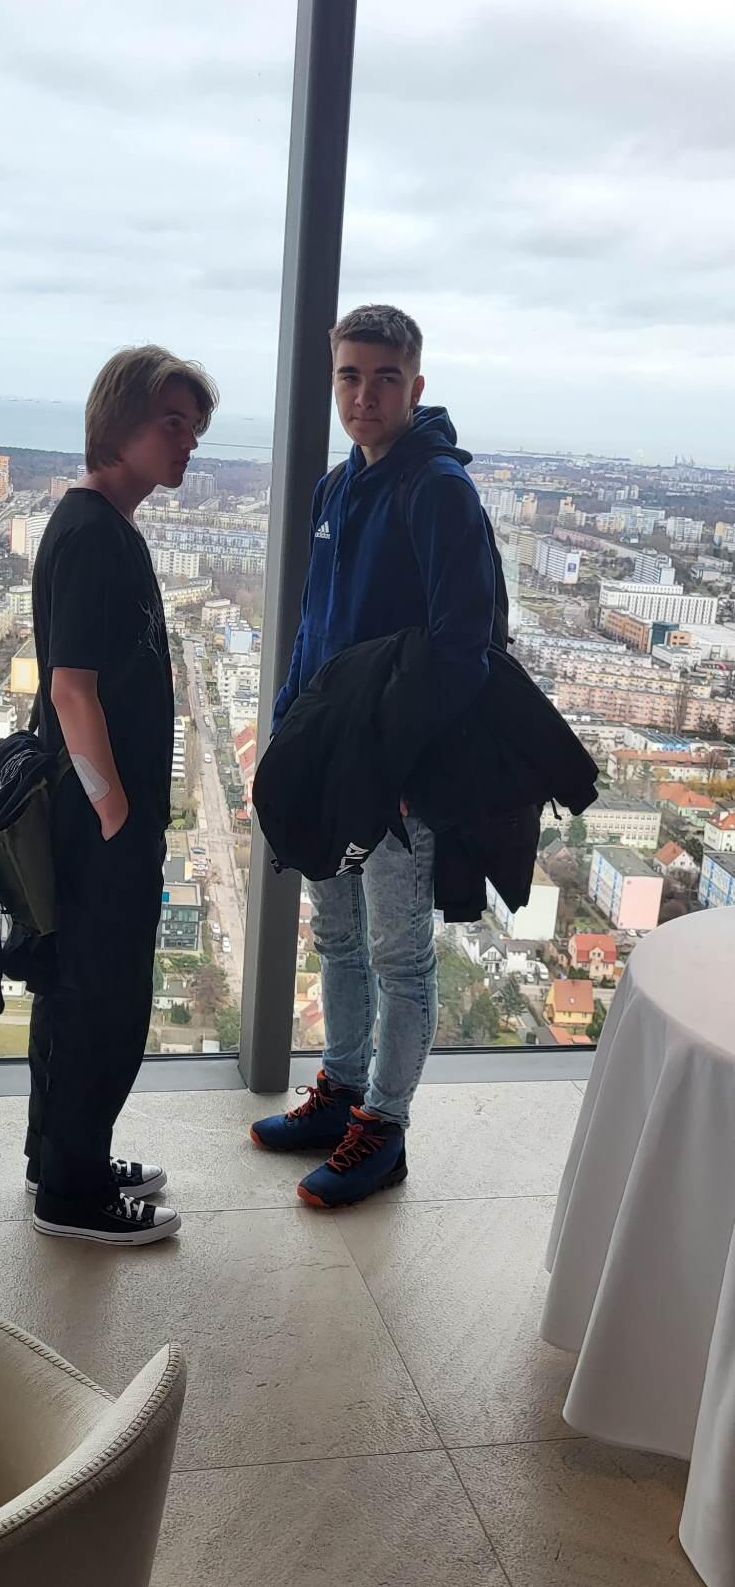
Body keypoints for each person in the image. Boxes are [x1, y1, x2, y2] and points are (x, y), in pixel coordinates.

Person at [251, 304, 497, 1208]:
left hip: (398, 779)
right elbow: (314, 628)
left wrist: (395, 766)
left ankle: (383, 1130)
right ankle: (342, 1091)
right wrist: (289, 736)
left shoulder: (437, 490)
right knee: (339, 937)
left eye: (385, 378)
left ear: (415, 386)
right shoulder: (335, 487)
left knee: (399, 954)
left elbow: (463, 650)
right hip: (329, 760)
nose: (364, 395)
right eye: (349, 376)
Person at [26, 344, 218, 1245]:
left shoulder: (104, 525)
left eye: (195, 428)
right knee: (103, 1001)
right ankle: (72, 1197)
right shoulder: (93, 534)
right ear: (119, 423)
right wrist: (114, 812)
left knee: (79, 994)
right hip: (96, 820)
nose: (188, 442)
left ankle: (65, 1159)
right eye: (172, 423)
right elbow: (72, 689)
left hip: (98, 815)